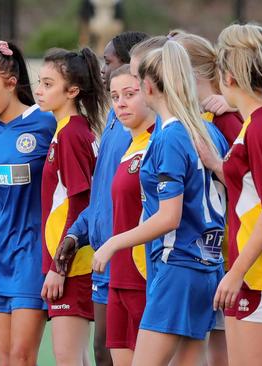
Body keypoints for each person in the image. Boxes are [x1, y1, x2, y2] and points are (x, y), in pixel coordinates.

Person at [93, 41, 228, 366]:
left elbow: (170, 216)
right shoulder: (204, 129)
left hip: (178, 265)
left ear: (150, 86)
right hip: (207, 266)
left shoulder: (169, 136)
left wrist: (114, 242)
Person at [197, 23, 262, 366]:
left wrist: (236, 271)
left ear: (228, 76)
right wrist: (215, 164)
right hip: (249, 270)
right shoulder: (251, 125)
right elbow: (249, 190)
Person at [54, 31, 148, 366]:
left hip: (131, 258)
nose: (103, 69)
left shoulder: (153, 130)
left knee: (127, 352)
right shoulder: (112, 119)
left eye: (108, 61)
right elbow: (101, 192)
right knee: (102, 350)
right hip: (103, 256)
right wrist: (77, 234)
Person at [0, 40, 56, 366]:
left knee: (21, 357)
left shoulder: (46, 122)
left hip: (31, 255)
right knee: (2, 357)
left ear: (11, 83)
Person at [171, 30, 243, 366]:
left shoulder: (226, 119)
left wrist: (217, 167)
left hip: (224, 252)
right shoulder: (185, 119)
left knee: (221, 351)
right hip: (194, 255)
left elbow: (248, 182)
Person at [35, 46, 105, 366]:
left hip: (73, 264)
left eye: (48, 84)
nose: (39, 89)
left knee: (68, 358)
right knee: (76, 357)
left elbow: (80, 203)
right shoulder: (67, 130)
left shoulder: (72, 134)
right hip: (68, 260)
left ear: (72, 90)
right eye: (39, 81)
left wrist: (58, 267)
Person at [105, 64, 155, 366]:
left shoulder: (161, 139)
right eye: (114, 96)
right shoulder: (129, 144)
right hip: (118, 276)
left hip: (145, 275)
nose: (120, 103)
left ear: (149, 91)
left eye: (129, 94)